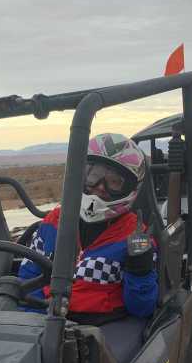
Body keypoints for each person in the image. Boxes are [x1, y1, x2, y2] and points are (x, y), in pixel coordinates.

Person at [17, 133, 158, 325]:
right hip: (46, 319)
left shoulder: (137, 237)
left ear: (130, 188)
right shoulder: (54, 222)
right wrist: (33, 316)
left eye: (114, 182)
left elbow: (142, 308)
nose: (100, 187)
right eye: (94, 176)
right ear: (82, 175)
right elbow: (27, 279)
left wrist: (140, 269)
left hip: (102, 325)